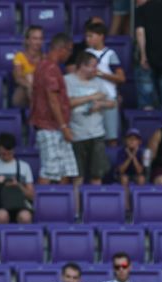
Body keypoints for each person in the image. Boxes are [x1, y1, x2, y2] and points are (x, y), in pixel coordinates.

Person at [32, 35, 79, 185]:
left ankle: (63, 205)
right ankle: (40, 206)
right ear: (61, 49)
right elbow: (53, 99)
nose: (70, 54)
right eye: (69, 50)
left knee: (65, 169)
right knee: (50, 169)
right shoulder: (50, 68)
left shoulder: (44, 65)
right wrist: (64, 126)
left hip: (56, 126)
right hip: (50, 126)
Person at [65, 54, 115, 185]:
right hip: (76, 134)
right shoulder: (67, 81)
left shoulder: (98, 82)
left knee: (97, 174)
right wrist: (91, 97)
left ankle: (94, 204)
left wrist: (101, 104)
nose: (96, 69)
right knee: (77, 176)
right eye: (93, 66)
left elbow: (112, 103)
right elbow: (67, 103)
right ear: (82, 66)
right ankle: (76, 205)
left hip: (97, 134)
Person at [84, 20, 125, 145]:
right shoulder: (85, 54)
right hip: (90, 98)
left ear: (101, 36)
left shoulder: (110, 54)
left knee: (111, 136)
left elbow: (121, 78)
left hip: (108, 99)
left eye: (91, 36)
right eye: (87, 36)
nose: (88, 39)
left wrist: (100, 74)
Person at [0, 133, 36, 225]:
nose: (6, 156)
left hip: (18, 203)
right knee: (2, 216)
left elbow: (31, 196)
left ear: (14, 150)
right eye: (3, 154)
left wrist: (18, 185)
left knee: (25, 217)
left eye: (9, 153)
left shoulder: (24, 166)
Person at [12, 26, 46, 109]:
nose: (38, 42)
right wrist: (30, 85)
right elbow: (18, 78)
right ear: (27, 40)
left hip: (41, 90)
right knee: (28, 77)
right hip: (25, 89)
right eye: (35, 39)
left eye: (40, 39)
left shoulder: (45, 58)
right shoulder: (19, 56)